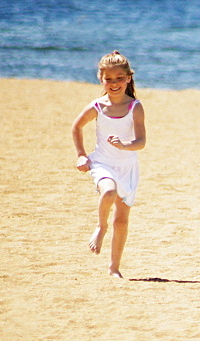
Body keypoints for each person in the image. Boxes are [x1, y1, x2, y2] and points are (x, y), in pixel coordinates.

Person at [71, 51, 147, 278]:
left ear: (128, 78)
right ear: (101, 79)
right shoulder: (97, 106)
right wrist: (81, 155)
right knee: (109, 191)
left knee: (122, 221)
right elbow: (76, 127)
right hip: (103, 163)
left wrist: (125, 145)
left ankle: (114, 268)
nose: (114, 83)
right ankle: (101, 226)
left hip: (128, 168)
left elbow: (141, 142)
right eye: (108, 79)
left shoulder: (135, 107)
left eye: (119, 78)